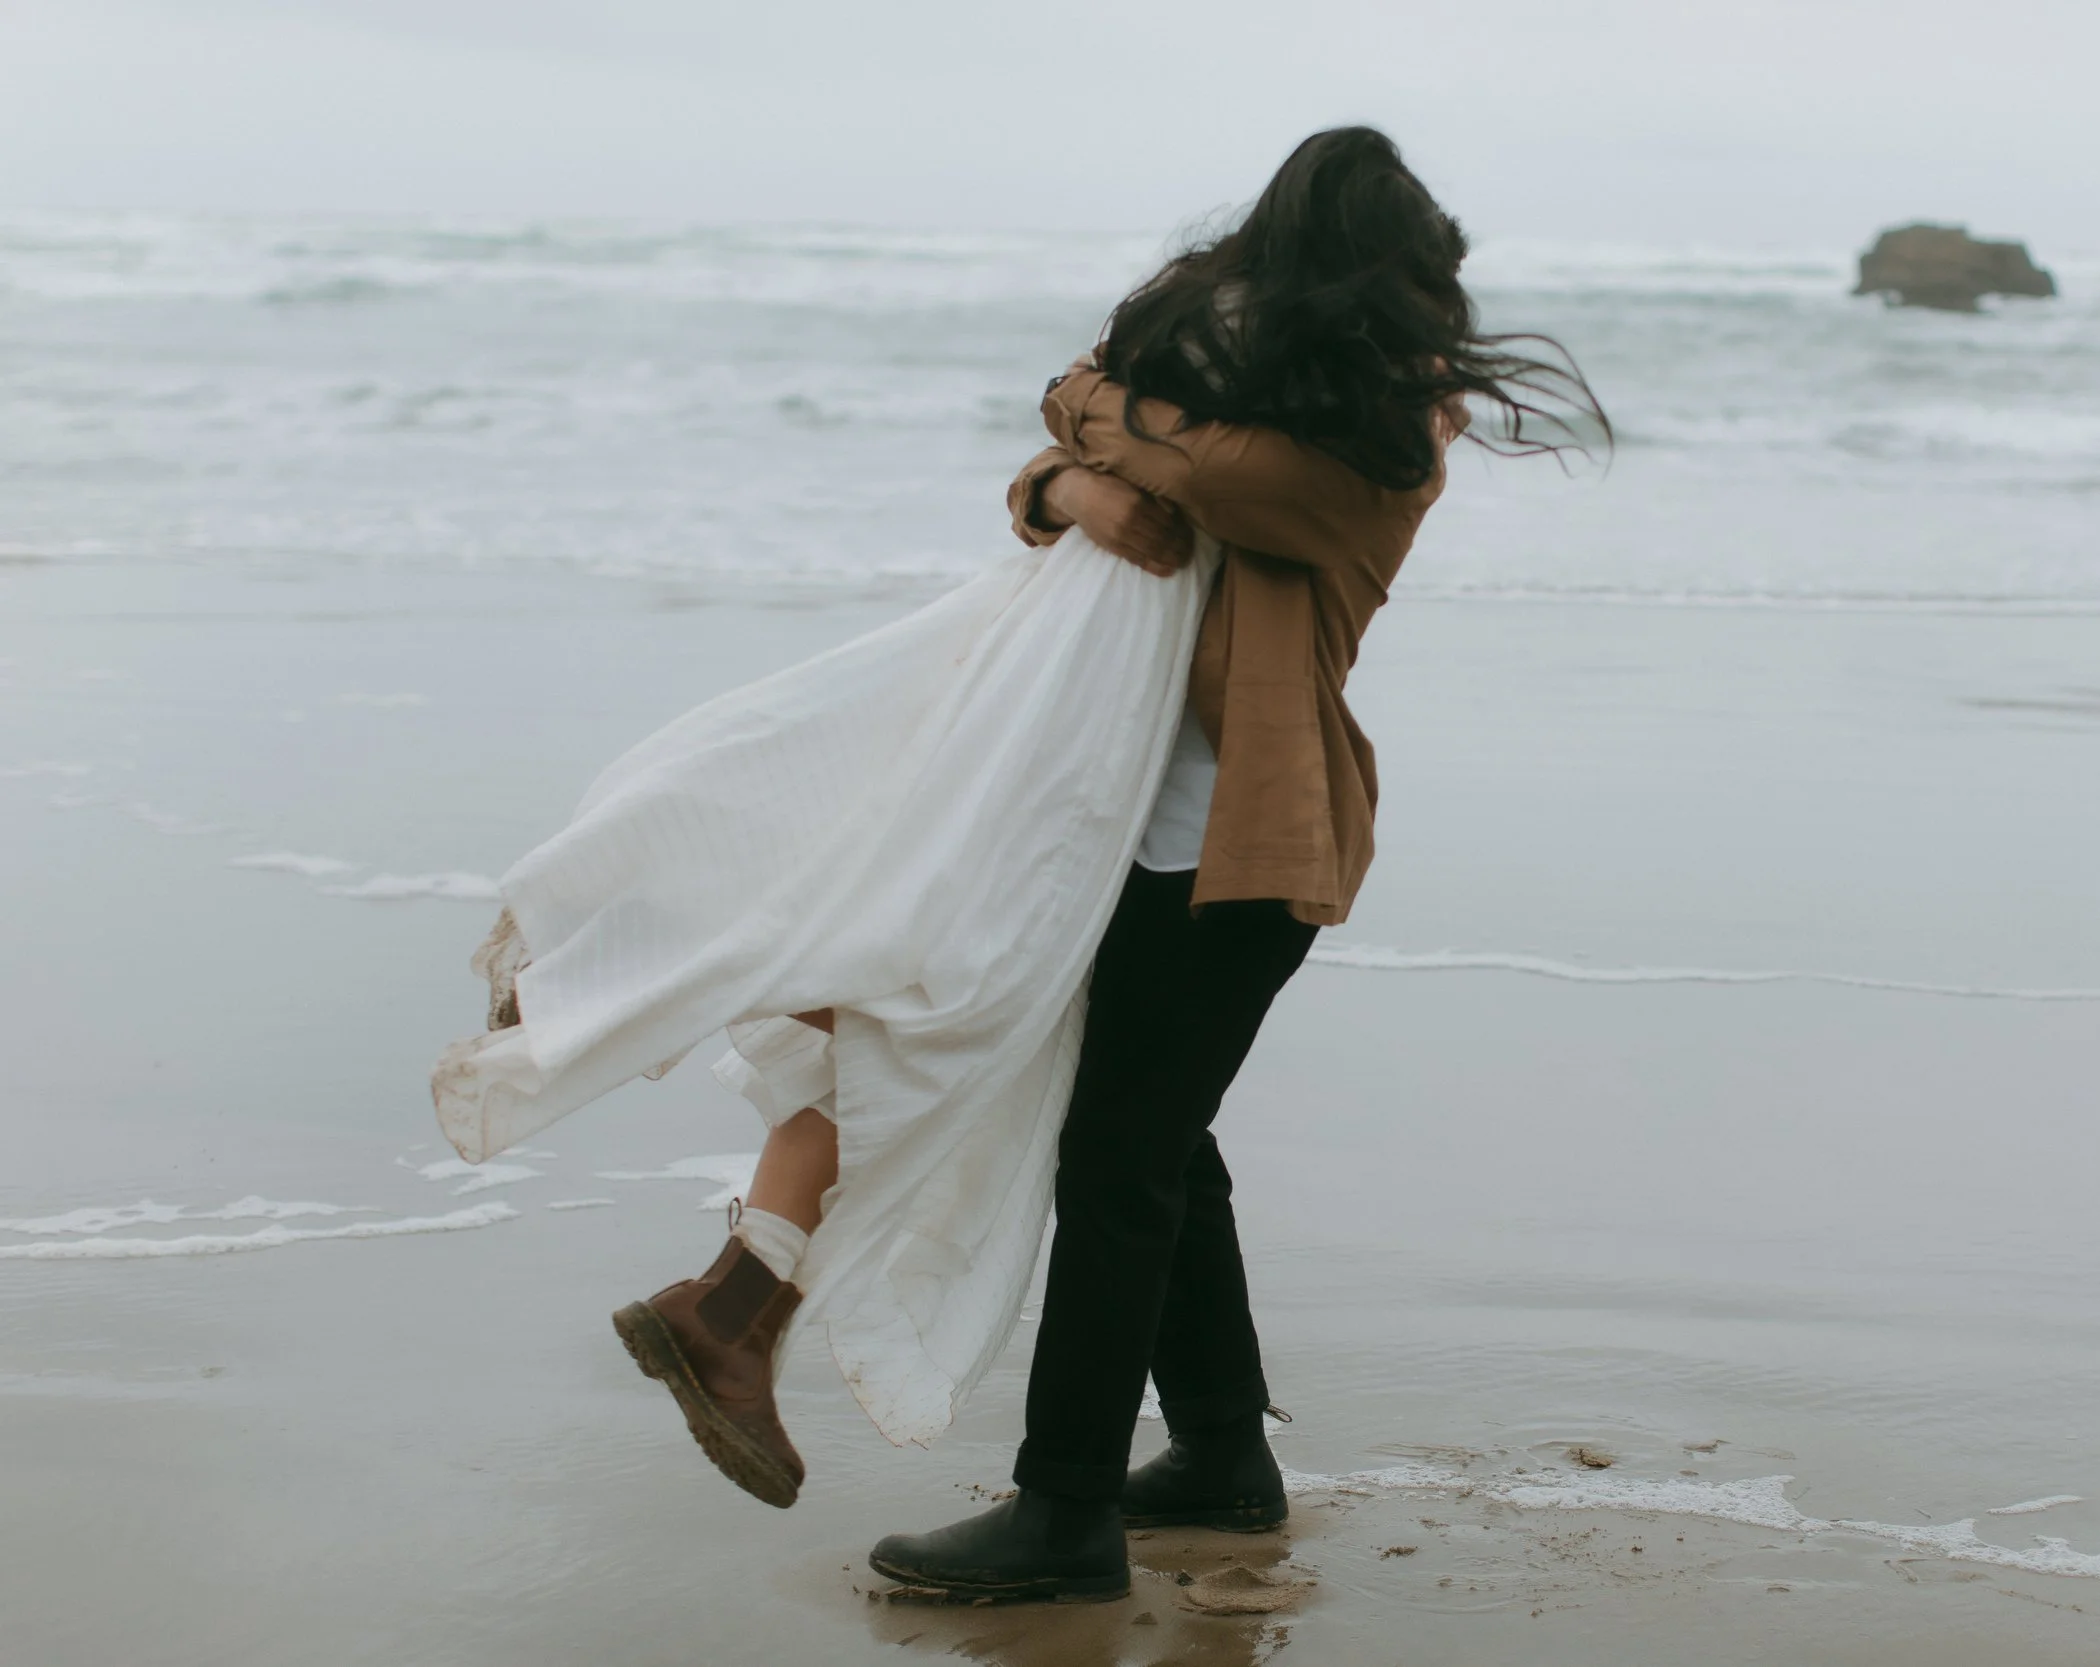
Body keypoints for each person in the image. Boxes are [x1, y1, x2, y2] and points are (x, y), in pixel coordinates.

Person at [431, 124, 1600, 1603]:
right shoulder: (1240, 389)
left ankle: (1062, 1516)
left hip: (1236, 852)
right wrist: (1061, 484)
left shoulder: (1376, 441)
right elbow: (1071, 480)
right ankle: (1222, 1458)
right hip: (1083, 821)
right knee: (1152, 1138)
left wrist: (1088, 414)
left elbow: (1203, 470)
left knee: (1119, 1160)